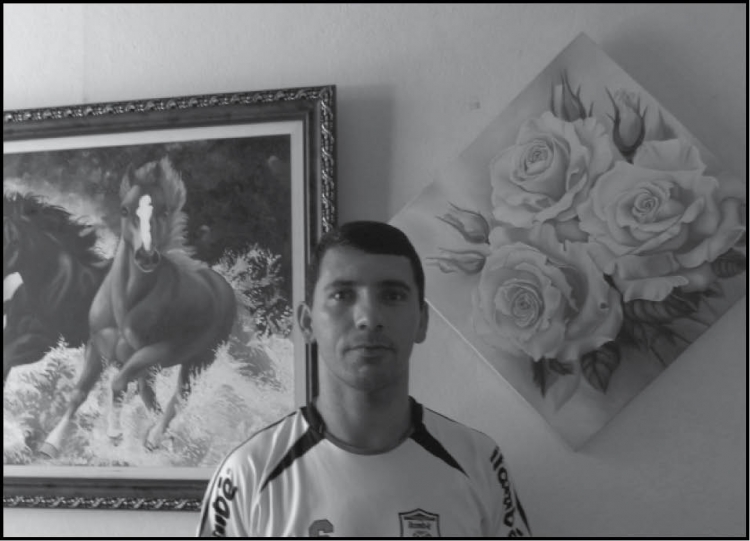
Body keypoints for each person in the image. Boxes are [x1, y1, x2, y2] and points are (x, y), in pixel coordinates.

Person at [197, 221, 531, 537]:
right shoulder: (247, 475)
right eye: (343, 295)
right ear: (307, 323)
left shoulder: (479, 463)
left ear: (422, 321)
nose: (369, 318)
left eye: (392, 296)